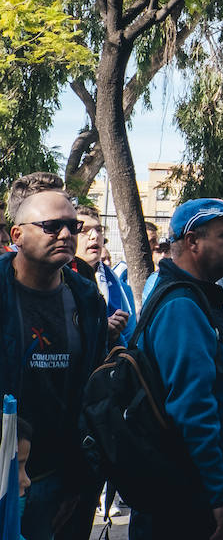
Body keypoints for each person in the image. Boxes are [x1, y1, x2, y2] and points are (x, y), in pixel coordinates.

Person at [133, 198, 223, 539]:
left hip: (201, 492)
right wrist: (219, 496)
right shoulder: (181, 305)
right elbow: (193, 409)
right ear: (193, 241)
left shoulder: (197, 297)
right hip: (193, 500)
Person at [3, 176, 109, 540]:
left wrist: (80, 479)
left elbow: (92, 393)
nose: (66, 234)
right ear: (17, 235)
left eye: (72, 226)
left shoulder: (87, 298)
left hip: (59, 478)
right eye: (51, 226)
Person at [73, 203, 136, 346]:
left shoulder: (122, 289)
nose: (95, 236)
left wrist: (113, 335)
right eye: (84, 230)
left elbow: (130, 339)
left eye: (98, 230)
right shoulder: (59, 280)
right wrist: (100, 329)